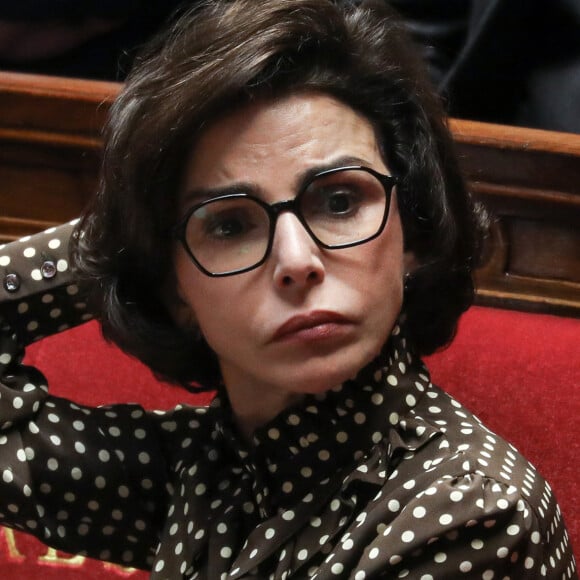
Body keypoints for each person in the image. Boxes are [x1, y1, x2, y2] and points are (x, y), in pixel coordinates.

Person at [0, 0, 576, 578]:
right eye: (230, 225)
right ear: (176, 291)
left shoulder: (473, 512)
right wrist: (128, 233)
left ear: (413, 234)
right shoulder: (205, 469)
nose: (297, 261)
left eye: (340, 201)